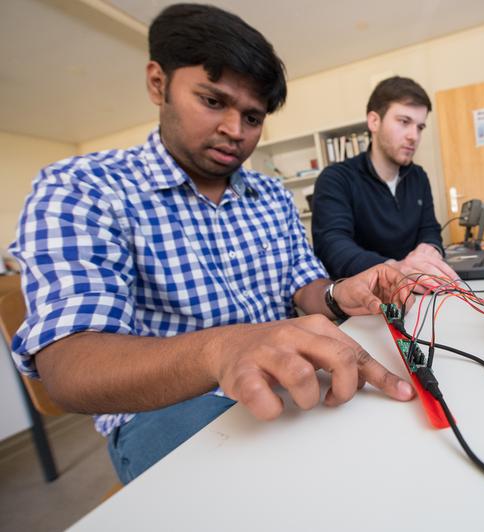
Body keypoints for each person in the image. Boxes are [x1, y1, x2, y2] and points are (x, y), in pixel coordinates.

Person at [9, 3, 415, 484]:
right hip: (165, 409)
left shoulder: (269, 194)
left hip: (288, 374)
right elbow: (69, 367)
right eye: (213, 101)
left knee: (385, 444)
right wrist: (222, 351)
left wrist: (335, 293)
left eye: (252, 116)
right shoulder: (83, 188)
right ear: (158, 83)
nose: (234, 131)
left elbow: (302, 283)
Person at [311, 76, 459, 282]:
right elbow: (333, 246)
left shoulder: (418, 177)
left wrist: (430, 249)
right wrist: (394, 268)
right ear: (374, 121)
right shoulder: (336, 179)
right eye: (404, 122)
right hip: (365, 298)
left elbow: (430, 229)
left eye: (420, 127)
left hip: (418, 287)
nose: (414, 136)